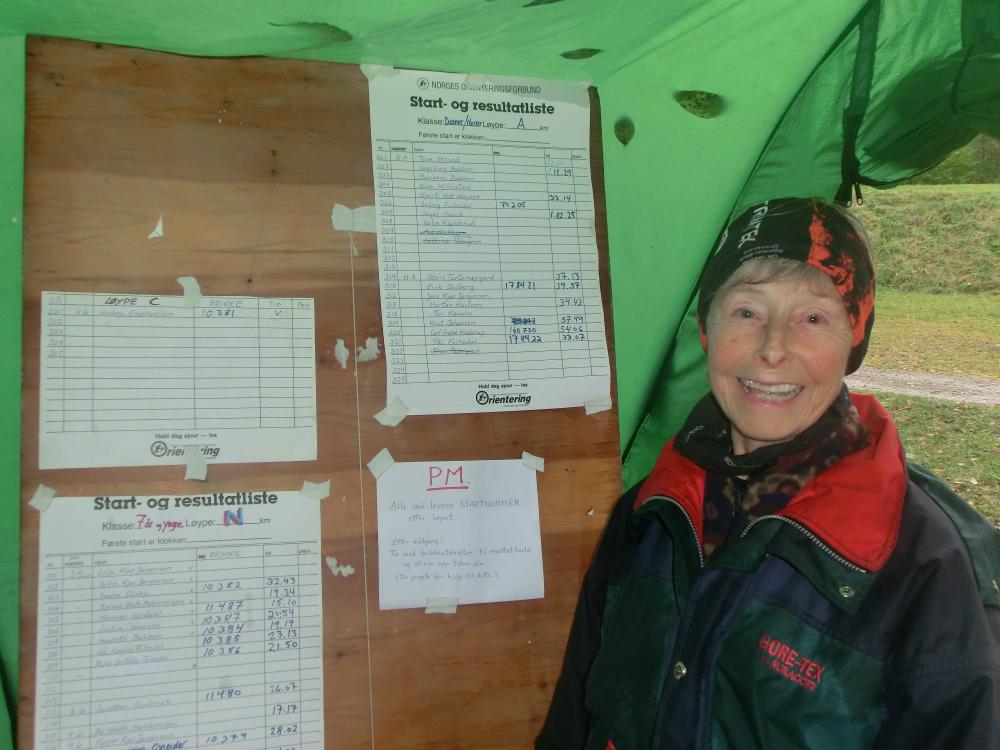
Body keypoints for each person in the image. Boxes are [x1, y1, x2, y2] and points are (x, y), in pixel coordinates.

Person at [536, 197, 1000, 749]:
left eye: (813, 318)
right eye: (746, 312)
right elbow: (576, 719)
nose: (773, 348)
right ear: (706, 330)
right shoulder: (651, 513)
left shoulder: (924, 566)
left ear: (854, 338)